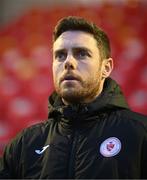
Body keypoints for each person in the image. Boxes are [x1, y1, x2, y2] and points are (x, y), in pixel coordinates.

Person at [0, 16, 147, 179]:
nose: (68, 62)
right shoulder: (23, 145)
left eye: (82, 54)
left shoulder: (140, 134)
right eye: (60, 55)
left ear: (106, 68)